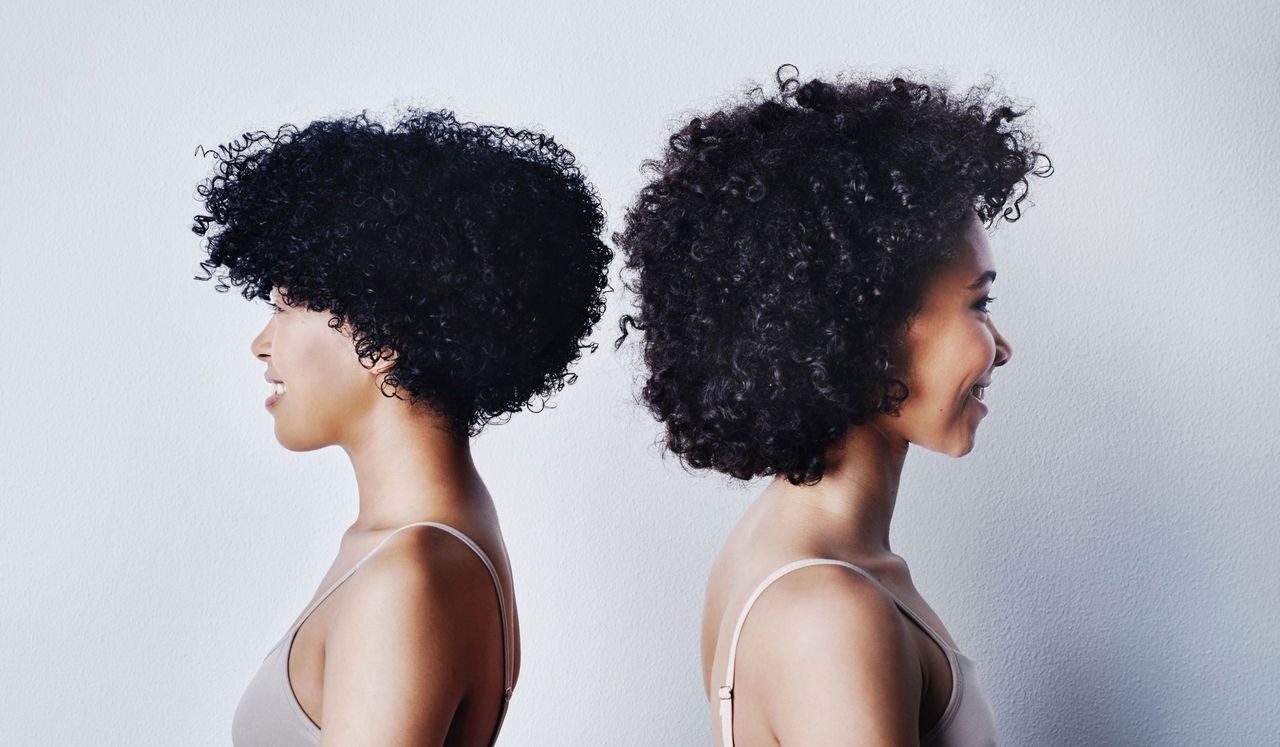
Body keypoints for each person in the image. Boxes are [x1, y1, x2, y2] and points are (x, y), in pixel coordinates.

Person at [615, 66, 1052, 745]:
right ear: (864, 327)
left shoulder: (776, 543)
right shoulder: (832, 609)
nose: (1001, 347)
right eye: (978, 303)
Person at [192, 108, 611, 745]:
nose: (261, 342)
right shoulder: (424, 537)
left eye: (283, 306)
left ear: (381, 333)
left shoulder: (409, 574)